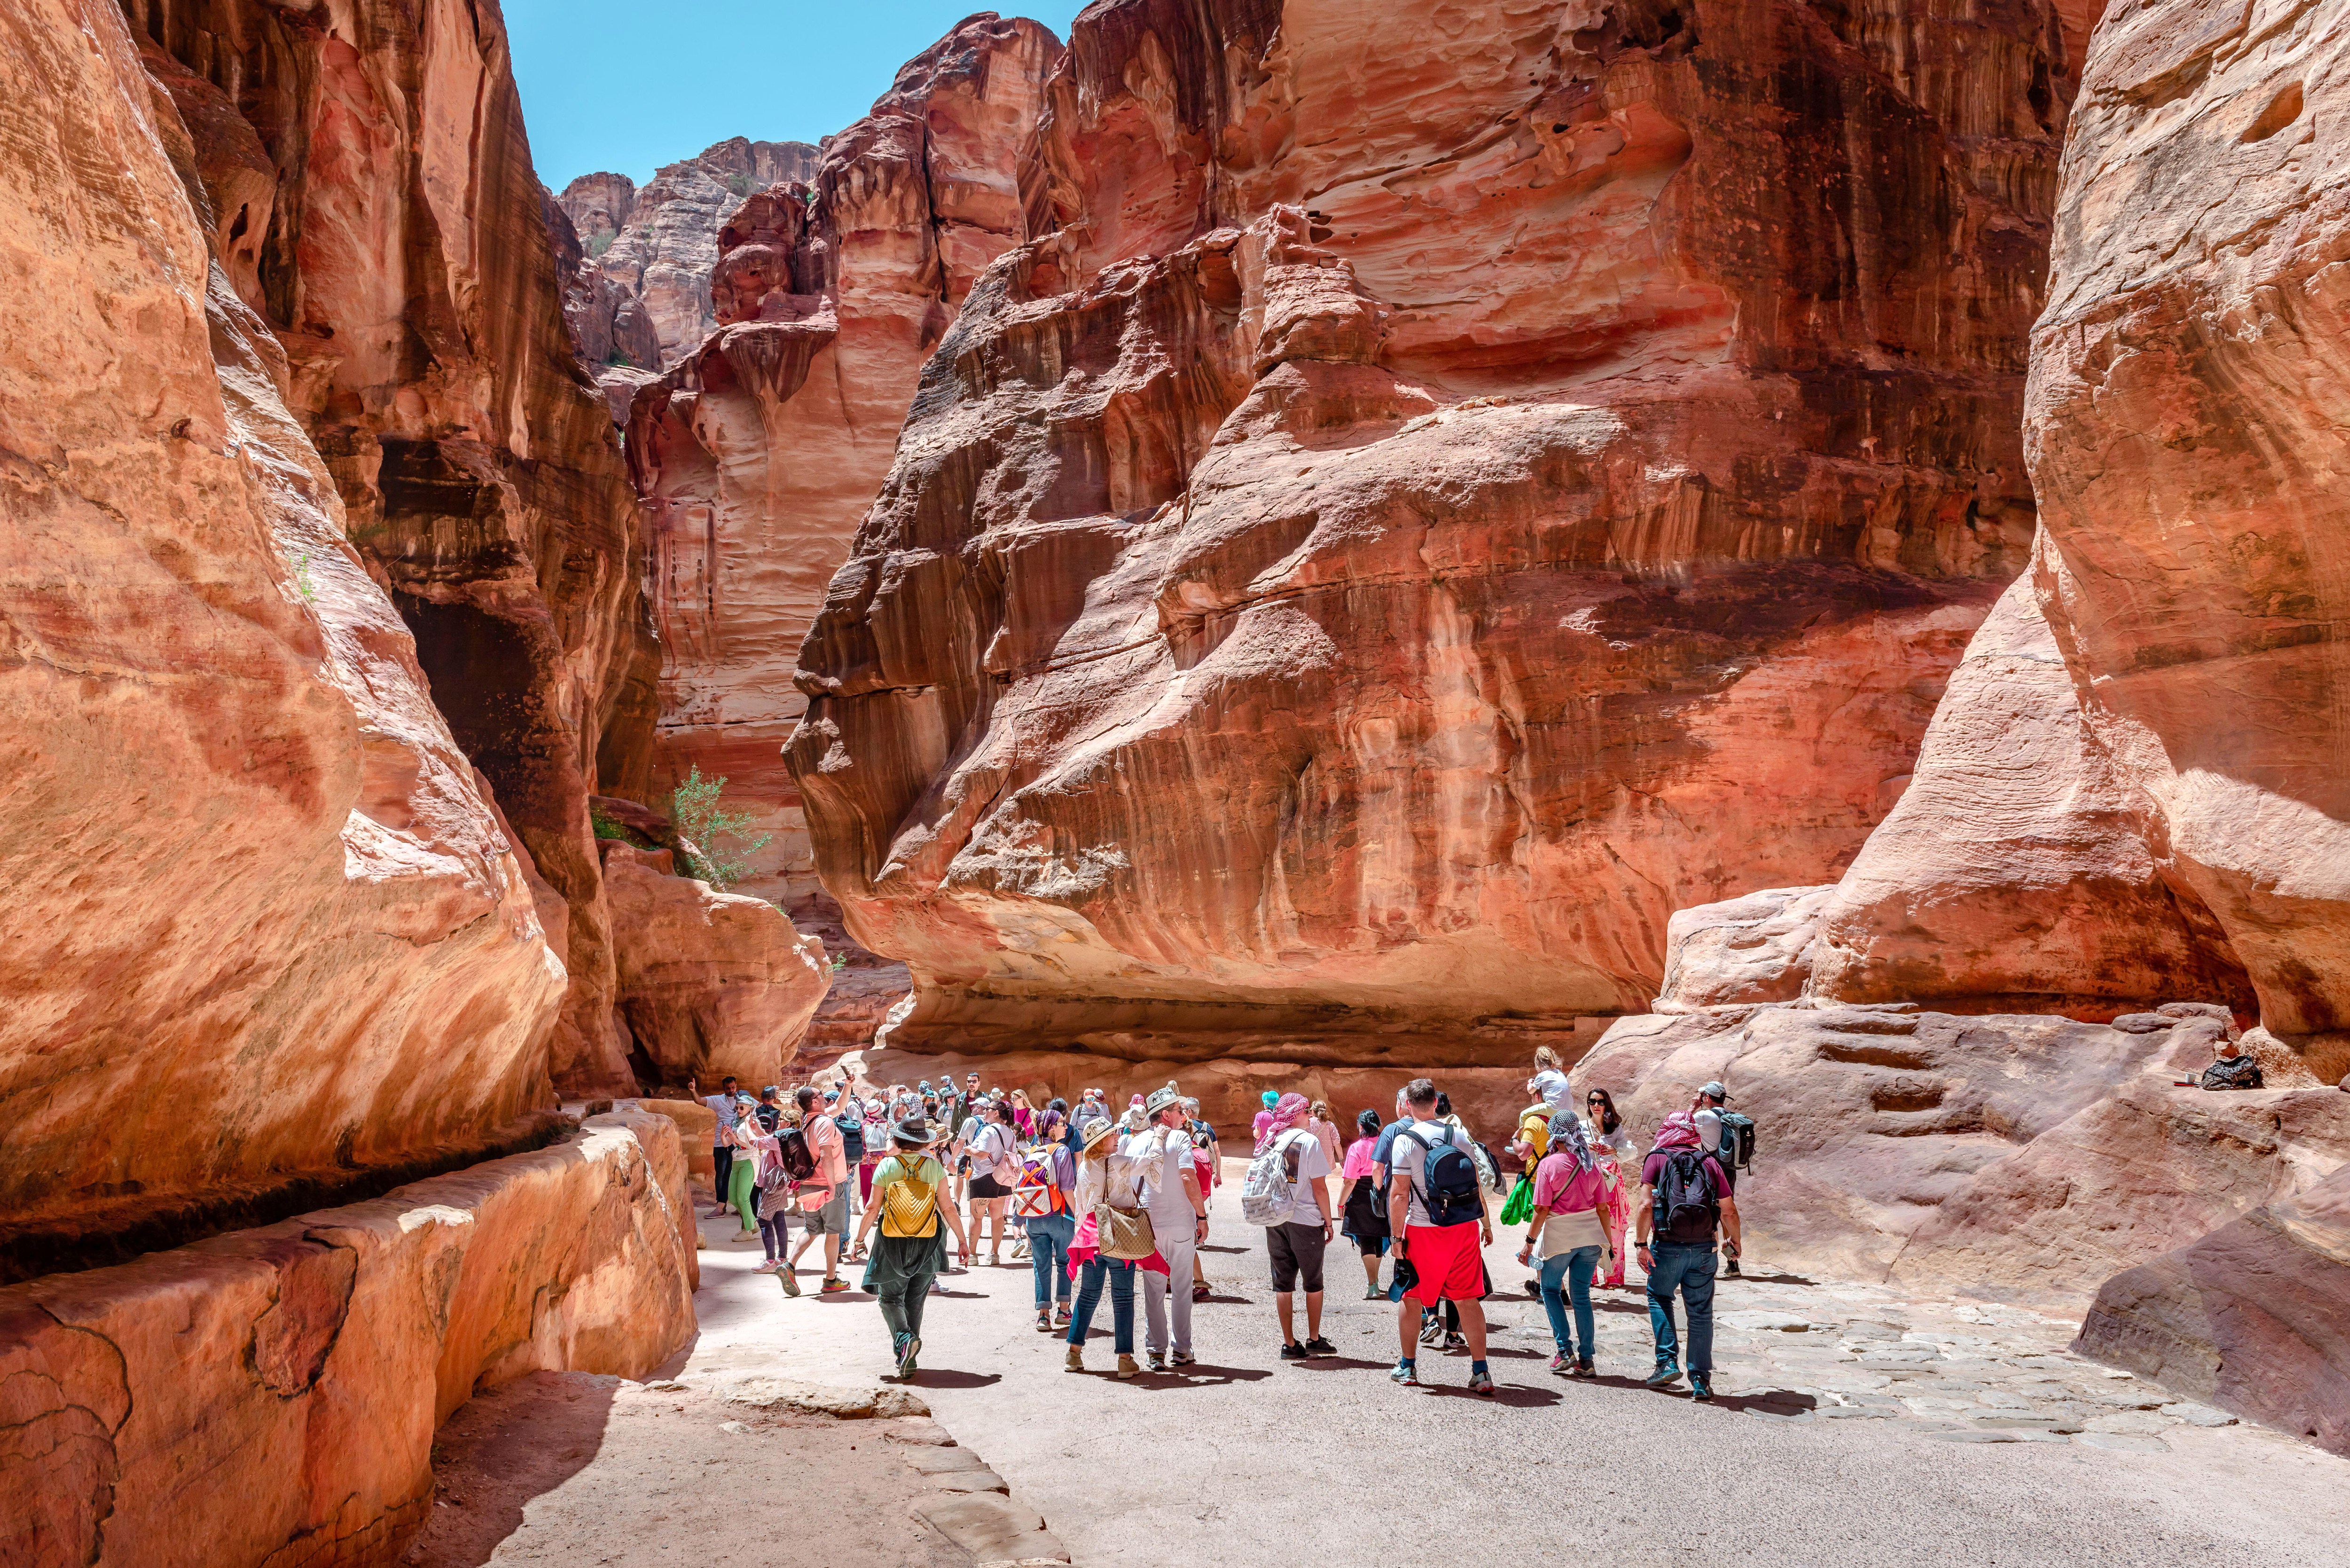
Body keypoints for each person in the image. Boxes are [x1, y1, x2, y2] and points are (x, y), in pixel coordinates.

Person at [1386, 1079, 1496, 1395]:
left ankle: (1407, 1367)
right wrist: (1481, 1225)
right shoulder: (1457, 1135)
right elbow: (1475, 1183)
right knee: (1466, 1298)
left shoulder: (1405, 1140)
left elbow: (1399, 1195)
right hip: (1461, 1228)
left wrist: (1397, 1238)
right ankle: (1481, 1372)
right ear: (1436, 1103)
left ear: (1408, 1105)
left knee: (1412, 1296)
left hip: (1423, 1230)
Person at [1635, 1112, 1743, 1401]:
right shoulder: (1710, 1162)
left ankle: (1667, 1362)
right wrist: (1736, 1241)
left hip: (1668, 1245)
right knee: (1700, 1313)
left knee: (1659, 1297)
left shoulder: (1656, 1158)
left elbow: (1646, 1206)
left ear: (1667, 1129)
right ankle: (1700, 1380)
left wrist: (1641, 1244)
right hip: (1705, 1249)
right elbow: (1728, 1209)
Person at [854, 1116, 972, 1379]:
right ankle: (908, 1357)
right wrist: (963, 1242)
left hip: (891, 1240)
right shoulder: (934, 1168)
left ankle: (905, 1342)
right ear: (921, 1143)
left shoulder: (886, 1166)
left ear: (897, 1139)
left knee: (890, 1298)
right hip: (929, 1241)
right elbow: (948, 1208)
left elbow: (873, 1207)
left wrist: (859, 1240)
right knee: (915, 1302)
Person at [1519, 1110, 1614, 1375]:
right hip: (1591, 1237)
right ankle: (1587, 1360)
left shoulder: (1549, 1165)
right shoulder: (1590, 1164)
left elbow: (1541, 1210)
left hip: (1561, 1237)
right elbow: (1603, 1208)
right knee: (1582, 1296)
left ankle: (1564, 1351)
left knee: (1549, 1290)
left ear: (1554, 1134)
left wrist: (1529, 1242)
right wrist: (1608, 1243)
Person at [1126, 1083, 1208, 1371]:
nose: (1183, 1116)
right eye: (1178, 1111)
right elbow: (1188, 1177)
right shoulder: (1180, 1139)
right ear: (1164, 1115)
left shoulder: (1134, 1141)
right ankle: (1181, 1350)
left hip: (1148, 1225)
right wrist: (1201, 1216)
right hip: (1180, 1224)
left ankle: (1156, 1351)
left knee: (1153, 1289)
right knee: (1183, 1288)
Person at [1257, 1093, 1337, 1360]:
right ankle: (1314, 1339)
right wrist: (1328, 1221)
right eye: (1306, 1110)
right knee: (1313, 1281)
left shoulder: (1272, 1139)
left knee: (1283, 1283)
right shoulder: (1309, 1142)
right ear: (1297, 1113)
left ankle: (1289, 1344)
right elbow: (1320, 1188)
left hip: (1276, 1219)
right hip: (1306, 1220)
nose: (1311, 1116)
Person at [1064, 1114, 1144, 1378]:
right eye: (1112, 1136)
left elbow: (1080, 1205)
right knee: (1122, 1298)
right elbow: (1149, 1164)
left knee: (1088, 1296)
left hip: (1091, 1237)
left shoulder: (1084, 1167)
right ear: (1102, 1142)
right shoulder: (1119, 1163)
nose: (1117, 1138)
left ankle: (1074, 1354)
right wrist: (1158, 1137)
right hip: (1118, 1235)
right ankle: (1124, 1359)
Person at [787, 1085, 852, 1293]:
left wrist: (848, 1085)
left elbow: (841, 1105)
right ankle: (831, 1280)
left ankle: (788, 1265)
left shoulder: (809, 1120)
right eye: (821, 1096)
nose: (825, 1098)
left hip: (809, 1185)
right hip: (827, 1186)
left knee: (812, 1229)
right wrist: (833, 1187)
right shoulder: (824, 1122)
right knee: (833, 1233)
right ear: (815, 1102)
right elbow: (826, 1155)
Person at [1026, 1106, 1079, 1332]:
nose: (1064, 1126)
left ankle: (1043, 1316)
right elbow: (1068, 1188)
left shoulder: (1032, 1151)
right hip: (1060, 1215)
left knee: (1040, 1265)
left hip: (1034, 1215)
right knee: (1065, 1262)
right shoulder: (1062, 1151)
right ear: (1051, 1127)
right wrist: (1078, 1214)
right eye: (1060, 1123)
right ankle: (1064, 1311)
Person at [1585, 1088, 1636, 1287]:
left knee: (1613, 1229)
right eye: (1592, 1102)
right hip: (1588, 1183)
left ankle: (1613, 1276)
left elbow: (1630, 1151)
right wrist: (1584, 1147)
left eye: (1600, 1102)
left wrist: (1615, 1151)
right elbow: (1569, 1147)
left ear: (1607, 1104)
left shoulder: (1614, 1128)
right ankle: (1588, 1275)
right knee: (1588, 1228)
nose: (1596, 1105)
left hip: (1610, 1185)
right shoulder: (1581, 1127)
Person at [1689, 1082, 1742, 1274]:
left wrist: (1695, 1105)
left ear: (1707, 1098)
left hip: (1711, 1170)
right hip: (1729, 1170)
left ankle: (1705, 1262)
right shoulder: (1732, 1117)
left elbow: (1679, 1126)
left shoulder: (1703, 1116)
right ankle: (1733, 1262)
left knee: (1709, 1215)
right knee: (1727, 1211)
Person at [1340, 1108, 1390, 1298]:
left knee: (1366, 1240)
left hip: (1361, 1196)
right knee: (1378, 1238)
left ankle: (1373, 1285)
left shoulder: (1356, 1148)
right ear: (1378, 1126)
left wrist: (1340, 1204)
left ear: (1361, 1127)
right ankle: (1375, 1281)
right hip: (1382, 1193)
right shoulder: (1387, 1145)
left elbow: (1350, 1181)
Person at [966, 1097, 1019, 1266]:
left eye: (988, 1109)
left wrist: (970, 1150)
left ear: (996, 1113)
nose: (984, 1111)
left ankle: (973, 1256)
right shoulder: (1010, 1133)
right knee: (998, 1218)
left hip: (984, 1177)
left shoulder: (988, 1131)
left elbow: (982, 1153)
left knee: (977, 1216)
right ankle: (994, 1254)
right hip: (1002, 1178)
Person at [1184, 1097, 1220, 1301]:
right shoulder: (1205, 1132)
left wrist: (1200, 1217)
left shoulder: (1184, 1152)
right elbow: (1217, 1151)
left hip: (1184, 1204)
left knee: (1185, 1247)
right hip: (1196, 1199)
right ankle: (1197, 1283)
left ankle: (1198, 1285)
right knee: (1188, 1246)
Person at [693, 1074, 741, 1217]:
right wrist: (693, 1090)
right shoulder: (718, 1100)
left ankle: (738, 1205)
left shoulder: (743, 1099)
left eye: (733, 1087)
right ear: (724, 1089)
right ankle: (721, 1206)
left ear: (736, 1086)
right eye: (728, 1088)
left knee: (736, 1174)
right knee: (721, 1175)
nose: (731, 1090)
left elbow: (759, 1107)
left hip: (738, 1144)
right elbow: (699, 1101)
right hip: (721, 1144)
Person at [721, 1092, 763, 1239]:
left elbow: (754, 1145)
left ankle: (748, 1230)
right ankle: (752, 1223)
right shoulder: (736, 1123)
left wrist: (735, 1140)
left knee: (743, 1197)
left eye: (742, 1108)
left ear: (750, 1109)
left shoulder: (751, 1123)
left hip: (749, 1161)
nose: (739, 1110)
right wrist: (723, 1136)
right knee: (733, 1198)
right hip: (737, 1160)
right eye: (738, 1107)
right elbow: (728, 1143)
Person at [1306, 1100, 1343, 1219]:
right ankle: (1321, 1210)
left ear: (1313, 1110)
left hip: (1310, 1158)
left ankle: (1311, 1210)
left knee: (1309, 1185)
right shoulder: (1330, 1125)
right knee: (1321, 1184)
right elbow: (1337, 1143)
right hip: (1325, 1161)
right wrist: (1341, 1159)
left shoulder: (1308, 1122)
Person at [1528, 1046, 1574, 1113]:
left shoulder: (1542, 1075)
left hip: (1553, 1108)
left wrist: (1530, 1081)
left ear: (1538, 1064)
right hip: (1568, 1109)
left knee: (1524, 1115)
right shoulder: (1560, 1074)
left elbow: (1531, 1091)